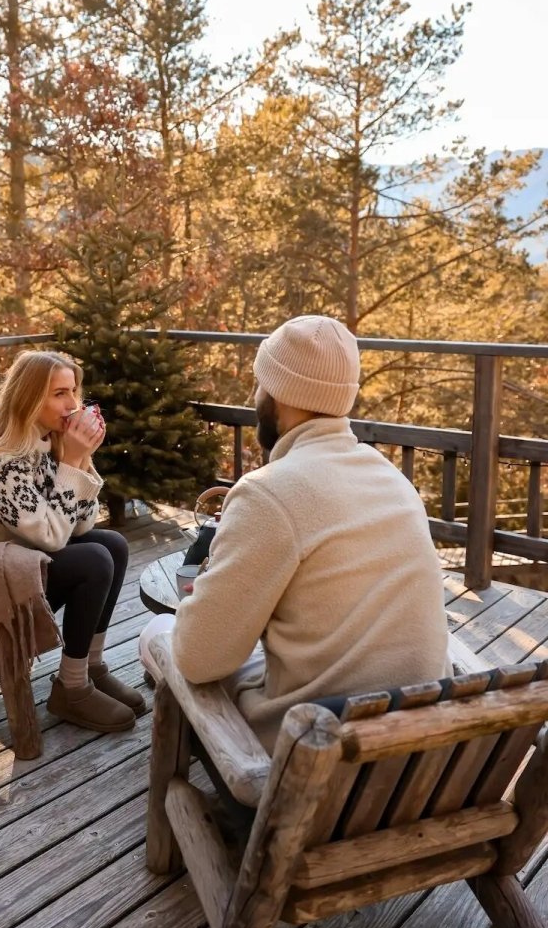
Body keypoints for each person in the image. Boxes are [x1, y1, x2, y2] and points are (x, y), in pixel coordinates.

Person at [140, 314, 450, 753]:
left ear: (280, 394)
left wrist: (202, 599)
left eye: (260, 384)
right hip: (424, 746)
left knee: (158, 632)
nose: (255, 397)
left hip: (316, 753)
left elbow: (197, 658)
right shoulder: (391, 478)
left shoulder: (267, 493)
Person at [0, 349, 145, 733]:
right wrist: (72, 463)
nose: (73, 405)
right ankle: (72, 689)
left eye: (74, 391)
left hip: (12, 565)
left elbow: (79, 526)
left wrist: (79, 460)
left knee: (112, 545)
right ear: (29, 398)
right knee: (94, 560)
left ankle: (88, 668)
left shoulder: (45, 443)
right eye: (59, 394)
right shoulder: (0, 459)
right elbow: (52, 538)